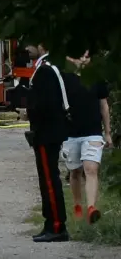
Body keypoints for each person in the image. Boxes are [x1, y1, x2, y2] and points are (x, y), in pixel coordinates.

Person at [25, 44, 70, 242]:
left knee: (50, 180)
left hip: (46, 133)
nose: (26, 48)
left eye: (30, 44)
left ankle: (57, 225)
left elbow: (47, 103)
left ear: (41, 45)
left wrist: (31, 114)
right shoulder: (46, 67)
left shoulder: (46, 69)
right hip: (47, 131)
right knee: (47, 180)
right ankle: (50, 222)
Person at [61, 52, 113, 225]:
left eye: (86, 55)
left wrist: (107, 132)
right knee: (75, 171)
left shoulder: (96, 77)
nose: (82, 58)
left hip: (93, 131)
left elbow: (104, 106)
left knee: (91, 169)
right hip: (70, 133)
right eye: (79, 54)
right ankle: (77, 205)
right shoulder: (64, 78)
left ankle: (91, 207)